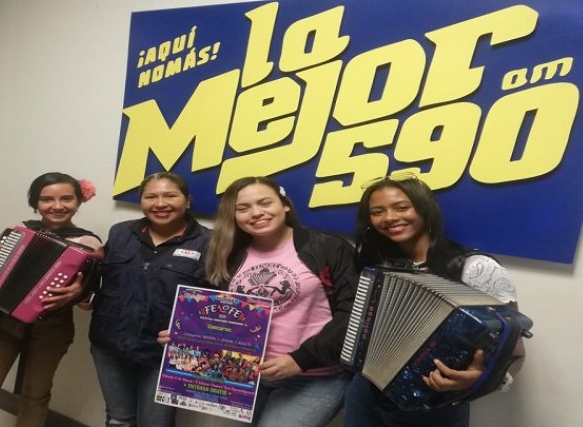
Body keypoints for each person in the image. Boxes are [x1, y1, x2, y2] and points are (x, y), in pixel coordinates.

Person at [344, 172, 526, 427]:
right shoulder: (377, 263)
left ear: (425, 209)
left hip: (433, 403)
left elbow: (515, 349)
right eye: (377, 211)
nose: (390, 218)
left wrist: (481, 379)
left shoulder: (476, 268)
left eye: (402, 207)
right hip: (366, 390)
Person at [203, 176, 358, 427]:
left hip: (314, 376)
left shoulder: (326, 246)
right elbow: (219, 312)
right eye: (243, 208)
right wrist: (184, 334)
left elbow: (354, 312)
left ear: (284, 205)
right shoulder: (229, 254)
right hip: (241, 374)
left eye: (265, 203)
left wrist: (301, 358)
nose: (256, 213)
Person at [0, 172, 103, 427]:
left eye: (66, 198)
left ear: (78, 201)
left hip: (52, 329)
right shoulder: (19, 231)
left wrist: (78, 292)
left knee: (35, 396)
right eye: (47, 199)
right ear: (36, 204)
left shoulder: (89, 243)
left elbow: (89, 297)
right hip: (3, 324)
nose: (57, 206)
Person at [88, 172, 211, 427]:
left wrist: (192, 331)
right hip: (110, 344)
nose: (160, 203)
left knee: (157, 424)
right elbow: (101, 276)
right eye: (151, 196)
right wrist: (86, 293)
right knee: (118, 419)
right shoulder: (121, 232)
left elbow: (219, 302)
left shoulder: (210, 242)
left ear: (187, 201)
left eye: (170, 195)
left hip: (168, 354)